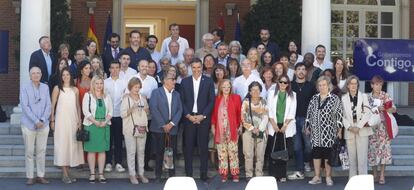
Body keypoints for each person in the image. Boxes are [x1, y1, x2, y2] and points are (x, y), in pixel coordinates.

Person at [179, 58, 215, 181]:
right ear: (191, 68)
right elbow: (181, 101)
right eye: (193, 67)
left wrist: (202, 115)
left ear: (202, 67)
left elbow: (211, 101)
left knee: (203, 147)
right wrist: (189, 116)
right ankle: (188, 174)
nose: (196, 70)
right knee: (188, 147)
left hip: (203, 119)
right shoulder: (184, 82)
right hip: (189, 118)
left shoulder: (209, 81)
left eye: (198, 67)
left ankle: (203, 175)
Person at [305, 76, 343, 186]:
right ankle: (317, 176)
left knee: (327, 156)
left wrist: (339, 130)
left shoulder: (334, 98)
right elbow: (309, 113)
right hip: (315, 131)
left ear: (328, 86)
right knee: (316, 155)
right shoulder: (314, 98)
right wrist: (307, 126)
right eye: (320, 85)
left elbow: (339, 115)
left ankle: (328, 177)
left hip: (329, 132)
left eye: (324, 85)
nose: (322, 87)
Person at [50, 68, 84, 183]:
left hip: (73, 121)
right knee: (63, 146)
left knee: (71, 146)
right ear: (61, 77)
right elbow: (52, 106)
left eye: (67, 74)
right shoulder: (57, 89)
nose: (65, 77)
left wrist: (79, 120)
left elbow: (78, 106)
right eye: (63, 75)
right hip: (61, 122)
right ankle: (64, 174)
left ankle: (68, 171)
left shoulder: (75, 90)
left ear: (70, 76)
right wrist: (52, 120)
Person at [20, 66, 51, 185]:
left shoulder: (45, 87)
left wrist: (42, 120)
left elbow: (48, 105)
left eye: (38, 73)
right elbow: (25, 106)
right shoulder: (25, 88)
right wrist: (35, 121)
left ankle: (40, 175)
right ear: (30, 75)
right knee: (29, 151)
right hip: (29, 125)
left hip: (43, 125)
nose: (36, 75)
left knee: (41, 151)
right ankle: (30, 176)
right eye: (33, 73)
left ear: (41, 74)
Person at [150, 72, 183, 183]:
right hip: (159, 128)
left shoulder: (177, 94)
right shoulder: (156, 93)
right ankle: (158, 175)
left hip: (172, 128)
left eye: (174, 79)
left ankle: (171, 175)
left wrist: (172, 124)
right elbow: (154, 108)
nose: (174, 81)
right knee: (159, 152)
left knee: (171, 152)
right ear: (164, 80)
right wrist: (163, 125)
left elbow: (180, 110)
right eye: (171, 79)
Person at [82, 75, 113, 184]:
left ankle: (100, 173)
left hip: (104, 125)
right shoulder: (88, 95)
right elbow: (86, 111)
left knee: (101, 151)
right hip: (91, 126)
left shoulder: (107, 96)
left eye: (101, 83)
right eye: (97, 83)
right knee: (91, 150)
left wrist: (105, 122)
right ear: (93, 84)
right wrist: (95, 122)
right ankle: (92, 173)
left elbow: (110, 112)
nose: (99, 86)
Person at [341, 75, 373, 179]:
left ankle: (363, 183)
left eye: (355, 83)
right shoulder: (343, 98)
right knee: (352, 159)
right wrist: (349, 127)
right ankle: (353, 182)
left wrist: (358, 126)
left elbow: (368, 113)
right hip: (349, 130)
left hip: (362, 129)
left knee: (362, 159)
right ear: (348, 85)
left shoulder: (364, 96)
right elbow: (341, 115)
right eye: (351, 83)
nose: (353, 85)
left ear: (358, 85)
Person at [130, 59, 158, 171]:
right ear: (138, 67)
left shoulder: (152, 81)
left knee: (146, 142)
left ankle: (145, 164)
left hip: (147, 115)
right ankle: (134, 165)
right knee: (134, 140)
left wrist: (147, 99)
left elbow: (155, 97)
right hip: (135, 115)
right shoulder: (132, 79)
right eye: (142, 66)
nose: (145, 68)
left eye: (147, 66)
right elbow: (128, 95)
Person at [288, 63, 315, 180]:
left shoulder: (311, 86)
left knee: (308, 145)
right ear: (295, 72)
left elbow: (314, 104)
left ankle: (307, 162)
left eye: (303, 69)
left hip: (306, 119)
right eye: (298, 69)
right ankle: (300, 170)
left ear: (306, 72)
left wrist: (310, 121)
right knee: (297, 146)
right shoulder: (290, 85)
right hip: (293, 119)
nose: (301, 71)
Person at [267, 75, 297, 182]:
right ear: (278, 82)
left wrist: (285, 125)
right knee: (273, 150)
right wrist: (274, 124)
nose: (283, 84)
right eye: (281, 82)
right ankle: (273, 175)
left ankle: (282, 174)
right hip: (273, 125)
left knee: (283, 152)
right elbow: (269, 109)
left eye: (285, 82)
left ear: (288, 84)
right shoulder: (271, 93)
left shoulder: (293, 95)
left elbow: (292, 111)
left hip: (286, 126)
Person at [367, 75, 396, 185]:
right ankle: (375, 174)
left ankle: (382, 175)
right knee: (373, 151)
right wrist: (375, 109)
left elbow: (394, 109)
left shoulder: (385, 96)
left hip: (384, 127)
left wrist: (386, 108)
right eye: (376, 84)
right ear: (371, 85)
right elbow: (365, 112)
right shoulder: (368, 97)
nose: (378, 87)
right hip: (372, 128)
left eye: (380, 84)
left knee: (384, 151)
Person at [211, 79, 242, 182]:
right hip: (220, 130)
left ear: (231, 87)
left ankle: (235, 174)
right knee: (222, 153)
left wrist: (240, 125)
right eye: (224, 87)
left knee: (233, 153)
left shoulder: (236, 98)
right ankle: (223, 174)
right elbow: (214, 115)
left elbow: (239, 114)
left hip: (232, 129)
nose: (226, 89)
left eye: (228, 86)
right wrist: (213, 126)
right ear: (220, 88)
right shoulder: (216, 99)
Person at [121, 78, 150, 184]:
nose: (137, 89)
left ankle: (141, 173)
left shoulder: (143, 98)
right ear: (130, 87)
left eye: (138, 87)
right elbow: (122, 114)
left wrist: (146, 109)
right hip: (130, 129)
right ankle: (132, 174)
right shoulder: (126, 99)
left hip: (141, 128)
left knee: (141, 152)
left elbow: (147, 112)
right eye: (135, 87)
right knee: (131, 152)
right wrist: (132, 108)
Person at [241, 81, 268, 181]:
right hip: (248, 130)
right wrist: (252, 129)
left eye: (257, 89)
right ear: (250, 91)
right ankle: (249, 174)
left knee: (260, 154)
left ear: (260, 91)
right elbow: (243, 118)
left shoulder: (263, 101)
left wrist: (259, 129)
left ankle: (259, 174)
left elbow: (266, 116)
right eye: (253, 89)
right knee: (248, 153)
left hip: (261, 130)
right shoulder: (245, 102)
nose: (255, 91)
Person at [104, 61, 127, 173]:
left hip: (119, 115)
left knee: (118, 140)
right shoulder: (104, 83)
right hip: (107, 115)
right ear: (109, 69)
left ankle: (118, 163)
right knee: (108, 140)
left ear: (120, 69)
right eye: (112, 68)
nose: (114, 70)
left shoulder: (124, 83)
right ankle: (108, 162)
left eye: (117, 68)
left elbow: (126, 98)